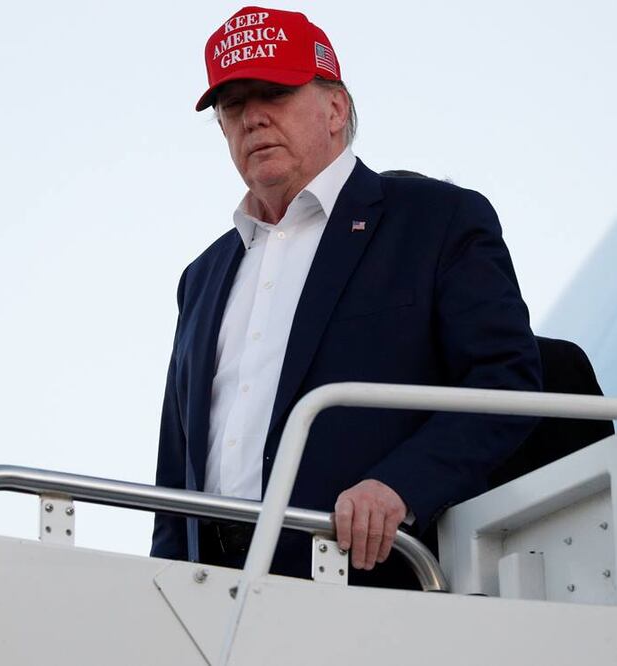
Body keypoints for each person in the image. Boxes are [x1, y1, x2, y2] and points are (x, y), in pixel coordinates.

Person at [151, 6, 542, 589]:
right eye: (234, 106)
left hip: (367, 584)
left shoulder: (435, 221)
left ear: (335, 107)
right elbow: (176, 468)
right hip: (212, 596)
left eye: (274, 94)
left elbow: (505, 380)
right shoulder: (202, 276)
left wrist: (401, 485)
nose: (253, 118)